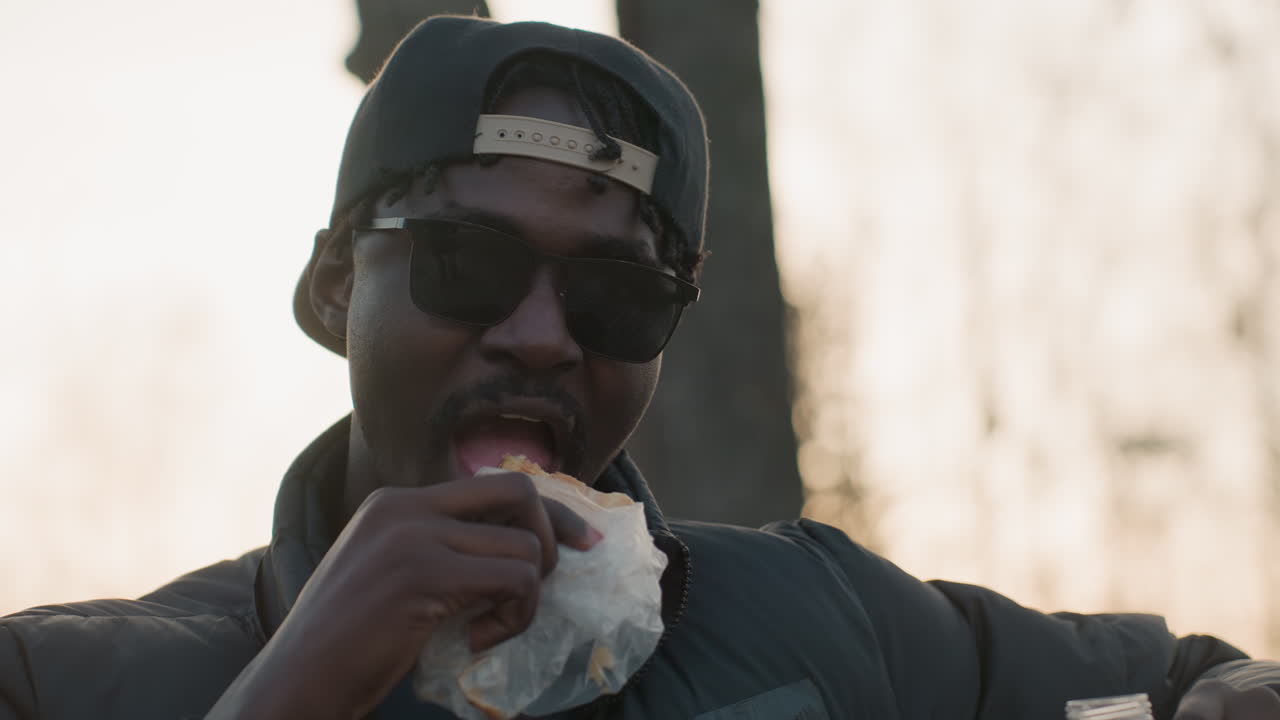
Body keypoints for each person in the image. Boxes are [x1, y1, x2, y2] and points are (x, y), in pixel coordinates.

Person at [2, 15, 1278, 720]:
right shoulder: (73, 683)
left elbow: (1177, 682)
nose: (543, 335)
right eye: (466, 266)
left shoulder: (815, 617)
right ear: (335, 284)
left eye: (618, 294)